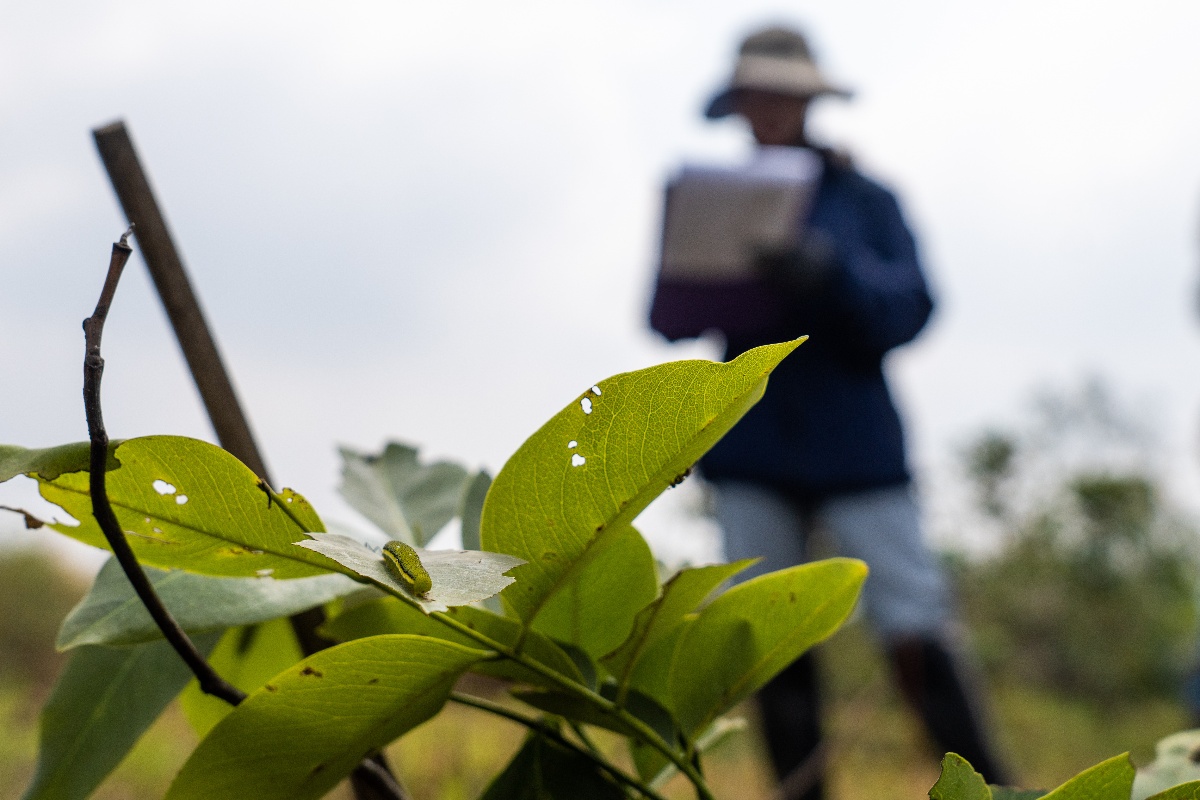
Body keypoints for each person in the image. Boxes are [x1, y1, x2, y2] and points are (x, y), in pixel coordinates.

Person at [649, 25, 1009, 798]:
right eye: (758, 93)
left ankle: (993, 789)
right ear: (739, 104)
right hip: (754, 446)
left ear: (809, 101)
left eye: (785, 92)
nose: (771, 106)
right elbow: (666, 312)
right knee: (766, 634)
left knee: (915, 621)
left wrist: (830, 273)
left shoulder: (865, 201)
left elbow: (909, 309)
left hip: (857, 448)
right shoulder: (713, 197)